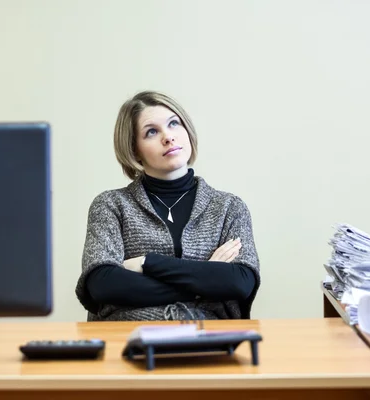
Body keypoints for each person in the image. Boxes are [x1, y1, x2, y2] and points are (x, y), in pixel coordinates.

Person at [75, 90, 261, 321]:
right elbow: (103, 284)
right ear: (134, 149)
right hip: (127, 337)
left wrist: (148, 263)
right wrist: (206, 275)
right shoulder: (110, 205)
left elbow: (239, 282)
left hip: (209, 338)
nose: (168, 137)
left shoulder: (229, 208)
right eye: (151, 132)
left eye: (174, 123)